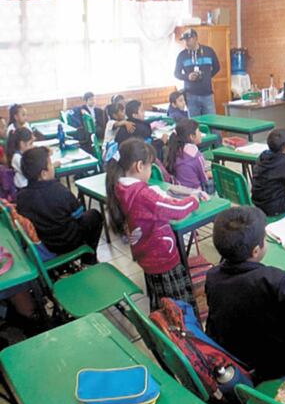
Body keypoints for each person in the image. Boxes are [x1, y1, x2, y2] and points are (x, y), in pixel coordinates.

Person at [205, 206, 285, 381]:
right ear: (256, 251)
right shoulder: (276, 280)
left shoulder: (212, 275)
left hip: (233, 355)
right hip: (272, 363)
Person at [106, 138, 201, 308]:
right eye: (150, 166)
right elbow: (177, 211)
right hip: (162, 256)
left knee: (160, 298)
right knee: (177, 305)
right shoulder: (142, 194)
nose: (150, 170)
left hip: (146, 254)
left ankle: (161, 323)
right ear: (139, 166)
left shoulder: (121, 187)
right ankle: (180, 330)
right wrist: (194, 199)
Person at [17, 147, 103, 262]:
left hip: (45, 244)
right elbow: (78, 213)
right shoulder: (59, 190)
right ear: (44, 174)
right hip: (68, 242)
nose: (53, 167)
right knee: (94, 215)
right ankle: (89, 259)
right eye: (51, 164)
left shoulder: (21, 196)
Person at [174, 28, 221, 117]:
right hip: (191, 96)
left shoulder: (209, 51)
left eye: (188, 39)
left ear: (195, 38)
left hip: (207, 95)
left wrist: (207, 76)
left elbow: (217, 67)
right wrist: (188, 76)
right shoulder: (182, 55)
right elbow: (176, 73)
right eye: (185, 40)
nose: (186, 43)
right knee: (194, 124)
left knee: (213, 123)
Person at [164, 119, 212, 192]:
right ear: (192, 136)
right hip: (195, 193)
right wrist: (209, 174)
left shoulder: (174, 150)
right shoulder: (196, 156)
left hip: (178, 191)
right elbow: (204, 179)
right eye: (198, 131)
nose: (200, 133)